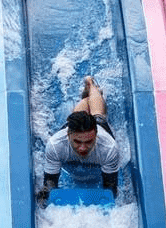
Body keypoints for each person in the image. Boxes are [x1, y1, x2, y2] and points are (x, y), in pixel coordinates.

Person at [37, 76, 120, 205]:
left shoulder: (108, 148)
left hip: (98, 124)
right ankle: (88, 94)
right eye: (77, 142)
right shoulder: (56, 145)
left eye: (88, 142)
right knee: (79, 114)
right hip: (72, 130)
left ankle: (91, 86)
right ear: (68, 135)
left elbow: (110, 190)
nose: (82, 148)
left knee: (98, 114)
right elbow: (50, 185)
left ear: (96, 135)